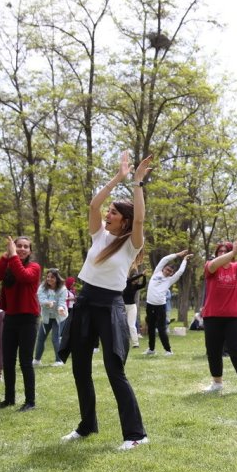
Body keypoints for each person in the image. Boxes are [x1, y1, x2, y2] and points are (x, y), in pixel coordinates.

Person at [59, 151, 152, 450]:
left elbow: (140, 218)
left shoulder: (130, 244)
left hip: (110, 306)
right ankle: (86, 426)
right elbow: (93, 204)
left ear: (123, 221)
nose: (107, 214)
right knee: (80, 368)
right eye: (109, 211)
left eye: (113, 213)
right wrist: (118, 177)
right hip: (86, 302)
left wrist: (137, 184)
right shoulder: (99, 236)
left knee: (115, 371)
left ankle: (136, 435)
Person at [0, 235, 41, 411]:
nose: (21, 249)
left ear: (30, 251)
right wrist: (6, 256)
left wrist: (12, 256)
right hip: (10, 317)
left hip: (28, 318)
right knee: (8, 361)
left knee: (25, 362)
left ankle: (30, 402)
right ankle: (9, 398)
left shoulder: (34, 267)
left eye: (25, 247)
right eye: (18, 246)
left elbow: (24, 276)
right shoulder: (9, 264)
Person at [202, 239, 237, 394]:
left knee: (236, 349)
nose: (222, 254)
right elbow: (212, 266)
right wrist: (233, 252)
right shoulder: (210, 266)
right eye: (220, 251)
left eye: (226, 251)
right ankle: (217, 383)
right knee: (213, 350)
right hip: (212, 315)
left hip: (236, 316)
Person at [144, 249, 191, 356]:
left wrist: (184, 260)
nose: (167, 272)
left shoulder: (170, 280)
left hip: (161, 307)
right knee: (150, 328)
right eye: (167, 269)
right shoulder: (157, 272)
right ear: (164, 268)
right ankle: (151, 349)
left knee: (161, 329)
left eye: (170, 271)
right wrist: (177, 254)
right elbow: (165, 259)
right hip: (149, 305)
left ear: (171, 274)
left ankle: (168, 350)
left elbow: (180, 272)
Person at [33, 268, 67, 366]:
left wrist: (61, 309)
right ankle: (37, 360)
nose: (49, 279)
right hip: (46, 317)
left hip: (58, 317)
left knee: (55, 338)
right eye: (48, 277)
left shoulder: (62, 289)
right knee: (40, 338)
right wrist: (48, 303)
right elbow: (41, 300)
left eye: (52, 277)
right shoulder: (42, 288)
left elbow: (62, 302)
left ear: (57, 278)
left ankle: (59, 360)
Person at [122, 256, 147, 349]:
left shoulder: (136, 286)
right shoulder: (127, 283)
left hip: (132, 306)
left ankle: (135, 343)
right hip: (123, 306)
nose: (136, 281)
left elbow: (143, 285)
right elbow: (131, 279)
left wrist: (144, 276)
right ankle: (122, 342)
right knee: (122, 325)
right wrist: (141, 274)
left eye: (137, 280)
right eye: (135, 279)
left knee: (131, 325)